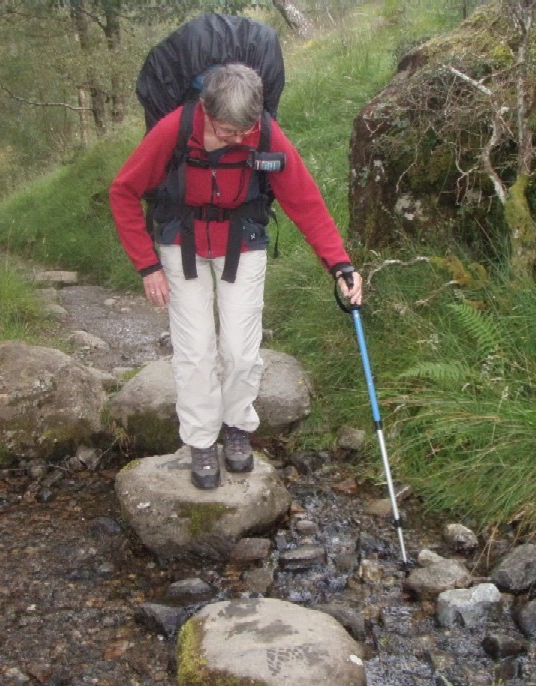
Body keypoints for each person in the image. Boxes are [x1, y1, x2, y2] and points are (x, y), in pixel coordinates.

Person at [110, 62, 362, 490]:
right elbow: (123, 191)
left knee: (241, 351)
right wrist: (147, 264)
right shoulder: (175, 129)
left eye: (244, 131)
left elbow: (305, 201)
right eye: (227, 131)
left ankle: (237, 428)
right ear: (206, 111)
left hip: (242, 242)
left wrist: (340, 265)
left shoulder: (263, 132)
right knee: (195, 350)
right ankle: (201, 441)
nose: (237, 139)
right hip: (181, 244)